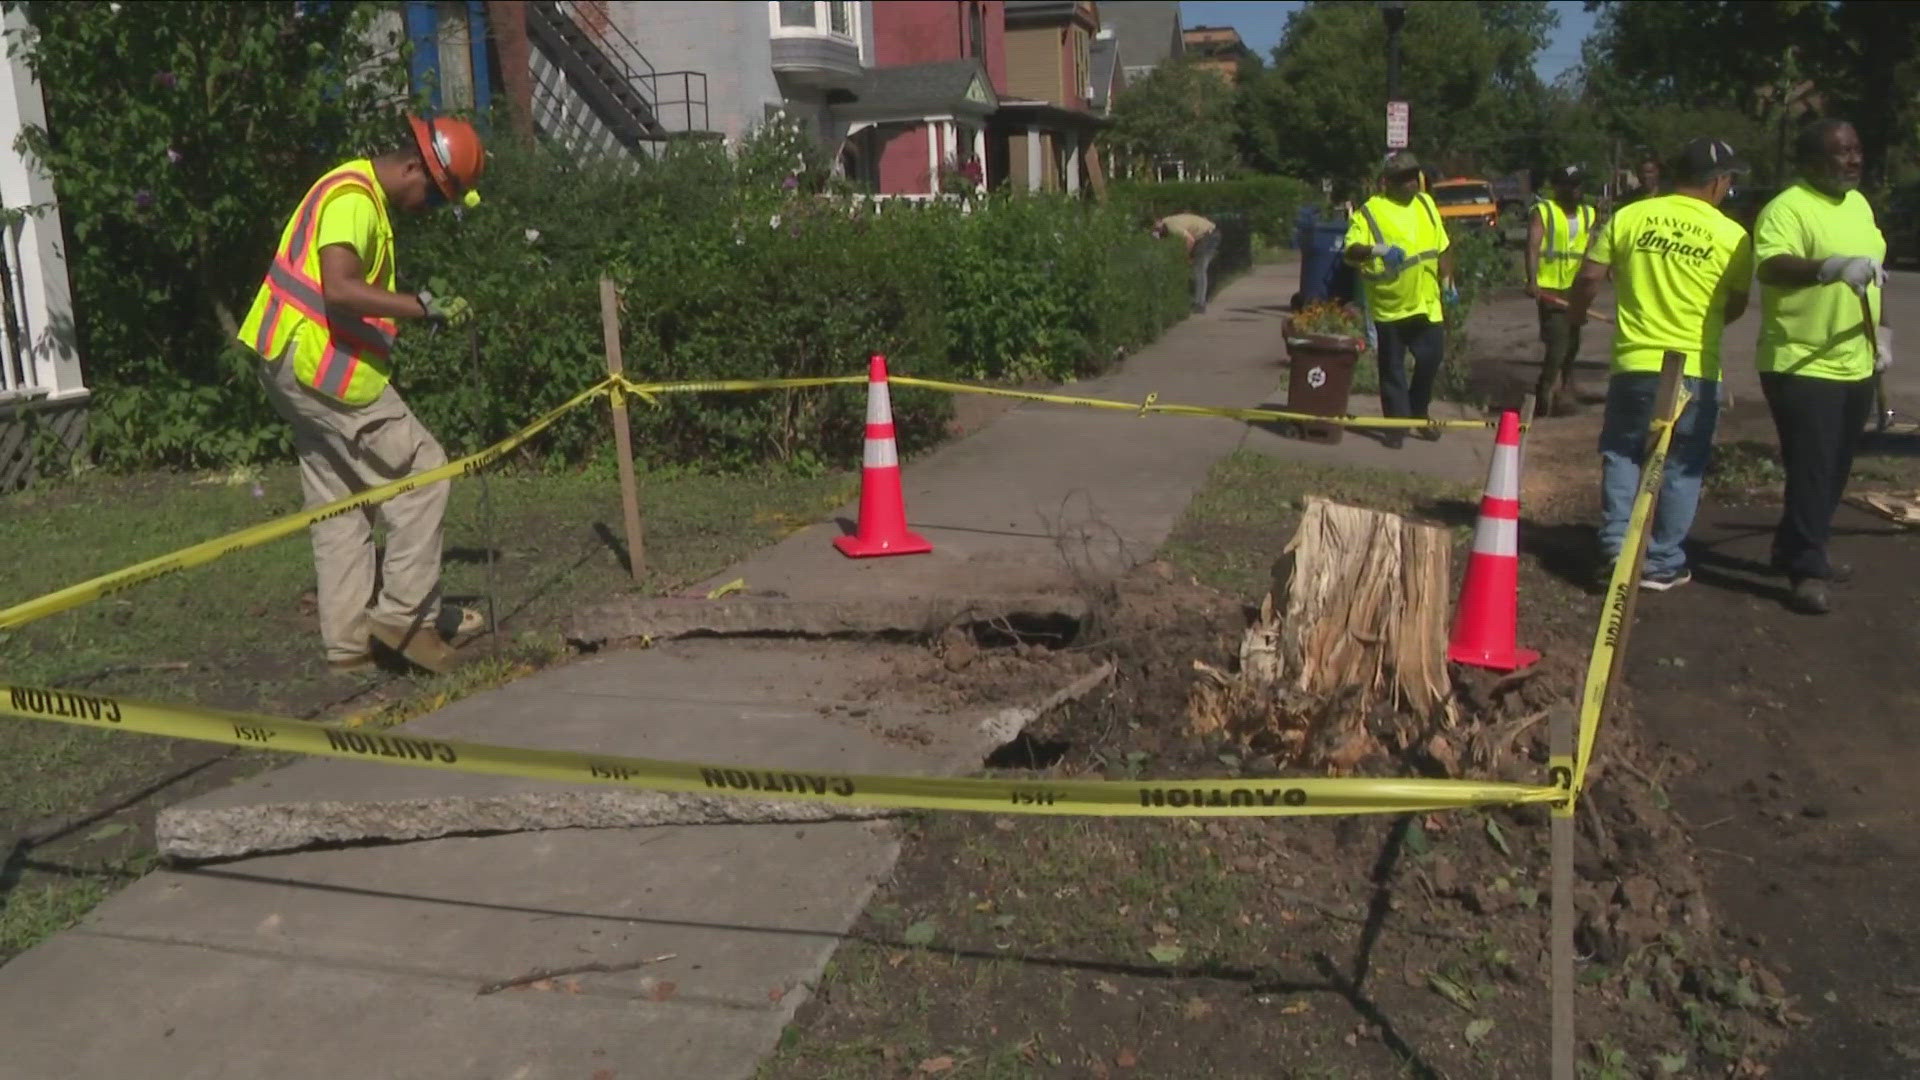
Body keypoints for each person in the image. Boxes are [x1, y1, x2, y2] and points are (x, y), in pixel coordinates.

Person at [238, 115, 485, 674]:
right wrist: (422, 307)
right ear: (412, 166)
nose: (431, 207)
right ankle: (405, 620)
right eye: (434, 194)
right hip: (323, 368)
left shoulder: (355, 192)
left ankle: (348, 642)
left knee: (342, 501)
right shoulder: (353, 198)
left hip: (287, 364)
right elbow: (341, 288)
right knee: (425, 474)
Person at [1566, 138, 1754, 591]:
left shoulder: (1630, 217)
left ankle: (1616, 550)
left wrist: (1575, 316)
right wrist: (1702, 324)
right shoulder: (1733, 236)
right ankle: (1662, 562)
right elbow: (1736, 305)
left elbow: (1590, 277)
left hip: (1637, 361)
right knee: (1682, 464)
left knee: (1624, 452)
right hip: (1696, 368)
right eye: (1728, 181)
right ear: (1716, 183)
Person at [1751, 119, 1889, 615]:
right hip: (1800, 361)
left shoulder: (1859, 205)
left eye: (1856, 149)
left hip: (1855, 359)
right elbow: (1770, 265)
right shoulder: (1787, 208)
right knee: (1812, 466)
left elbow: (1874, 276)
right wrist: (1828, 267)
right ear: (1812, 161)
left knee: (1834, 468)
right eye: (1841, 152)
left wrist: (1883, 335)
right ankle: (1807, 569)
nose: (1854, 160)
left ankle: (1791, 547)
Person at [1343, 150, 1456, 445]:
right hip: (1390, 305)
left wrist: (1447, 282)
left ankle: (1418, 413)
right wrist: (1378, 251)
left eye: (1414, 177)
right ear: (1387, 182)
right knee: (1392, 370)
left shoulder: (1426, 204)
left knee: (1431, 359)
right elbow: (1350, 250)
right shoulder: (1370, 211)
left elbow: (1442, 246)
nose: (1412, 184)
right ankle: (1397, 426)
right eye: (1404, 179)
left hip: (1427, 302)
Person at [1525, 165, 1597, 416]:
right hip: (1550, 288)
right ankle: (1544, 393)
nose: (1576, 190)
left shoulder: (1588, 214)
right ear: (1558, 187)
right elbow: (1533, 247)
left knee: (1573, 343)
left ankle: (1563, 389)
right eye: (1571, 185)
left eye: (1579, 185)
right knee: (1558, 344)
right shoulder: (1544, 212)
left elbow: (1589, 250)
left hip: (1575, 289)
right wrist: (1532, 280)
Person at [1154, 212, 1220, 313]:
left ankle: (1200, 304)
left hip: (1208, 236)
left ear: (1160, 223)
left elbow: (1190, 240)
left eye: (1158, 230)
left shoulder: (1171, 226)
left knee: (1199, 270)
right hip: (1208, 234)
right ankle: (1199, 300)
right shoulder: (1168, 220)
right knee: (1199, 269)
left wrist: (1186, 256)